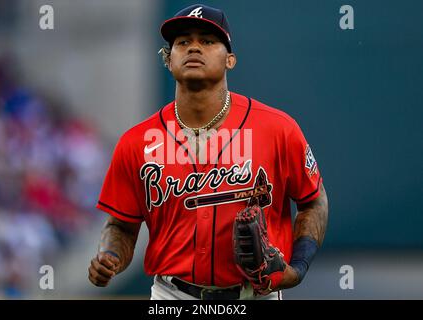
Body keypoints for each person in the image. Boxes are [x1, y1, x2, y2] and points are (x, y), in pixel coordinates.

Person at [88, 4, 328, 300]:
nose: (194, 48)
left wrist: (298, 267)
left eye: (208, 40)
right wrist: (110, 256)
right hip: (172, 295)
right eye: (183, 42)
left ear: (230, 59)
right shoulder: (136, 142)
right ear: (168, 59)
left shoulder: (278, 128)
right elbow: (121, 226)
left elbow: (313, 202)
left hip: (254, 294)